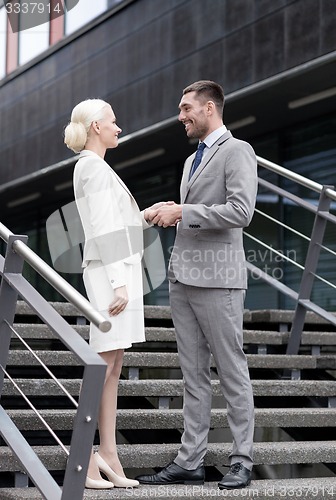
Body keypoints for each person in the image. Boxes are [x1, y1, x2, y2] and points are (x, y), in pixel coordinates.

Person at [136, 80, 257, 490]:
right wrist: (168, 210)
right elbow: (192, 212)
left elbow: (241, 211)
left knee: (232, 370)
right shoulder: (191, 162)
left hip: (219, 280)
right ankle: (191, 461)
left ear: (209, 108)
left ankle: (241, 460)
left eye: (186, 108)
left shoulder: (238, 151)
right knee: (193, 375)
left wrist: (183, 210)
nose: (181, 115)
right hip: (182, 278)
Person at [64, 99, 161, 489]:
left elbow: (113, 223)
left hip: (113, 270)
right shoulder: (92, 167)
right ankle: (86, 456)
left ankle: (108, 452)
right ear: (96, 128)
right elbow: (102, 229)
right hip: (110, 275)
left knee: (114, 366)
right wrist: (120, 283)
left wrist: (143, 215)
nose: (119, 127)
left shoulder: (96, 167)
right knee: (102, 368)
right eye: (114, 122)